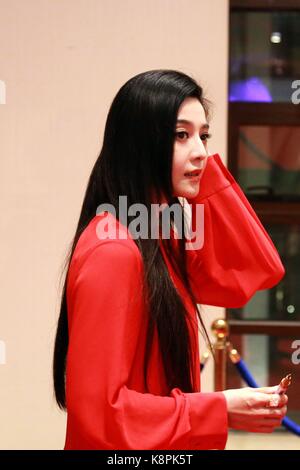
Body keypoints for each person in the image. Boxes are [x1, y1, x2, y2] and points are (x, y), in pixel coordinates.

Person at [53, 69, 288, 450]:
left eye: (203, 136)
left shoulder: (160, 238)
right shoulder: (114, 250)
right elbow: (100, 413)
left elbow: (257, 271)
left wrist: (203, 181)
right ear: (139, 144)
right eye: (181, 135)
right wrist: (219, 408)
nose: (201, 151)